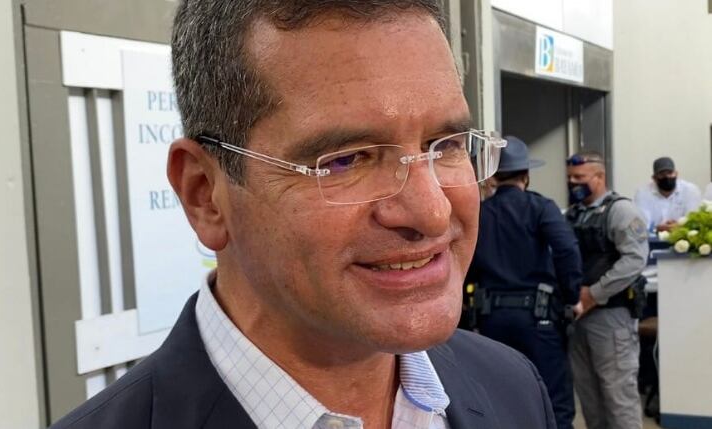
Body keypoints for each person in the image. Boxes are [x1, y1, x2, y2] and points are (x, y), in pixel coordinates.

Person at [51, 1, 557, 428]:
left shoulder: (512, 387)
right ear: (205, 194)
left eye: (445, 145)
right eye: (346, 160)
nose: (432, 210)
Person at [466, 137, 582, 429]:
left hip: (491, 320)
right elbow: (567, 250)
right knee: (554, 401)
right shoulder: (541, 207)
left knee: (500, 396)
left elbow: (464, 262)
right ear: (526, 175)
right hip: (539, 319)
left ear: (493, 177)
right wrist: (572, 296)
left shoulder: (480, 213)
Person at [565, 152, 648, 429]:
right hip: (579, 318)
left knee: (618, 398)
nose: (573, 183)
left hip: (612, 317)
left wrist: (594, 294)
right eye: (570, 178)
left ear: (599, 177)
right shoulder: (573, 214)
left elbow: (635, 259)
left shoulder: (621, 211)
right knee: (590, 399)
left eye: (580, 177)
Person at [634, 156, 701, 232]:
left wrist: (679, 226)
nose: (667, 177)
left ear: (676, 174)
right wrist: (657, 228)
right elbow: (641, 223)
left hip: (684, 236)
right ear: (654, 178)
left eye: (670, 173)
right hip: (653, 237)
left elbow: (694, 220)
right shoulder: (643, 193)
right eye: (662, 174)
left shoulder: (690, 190)